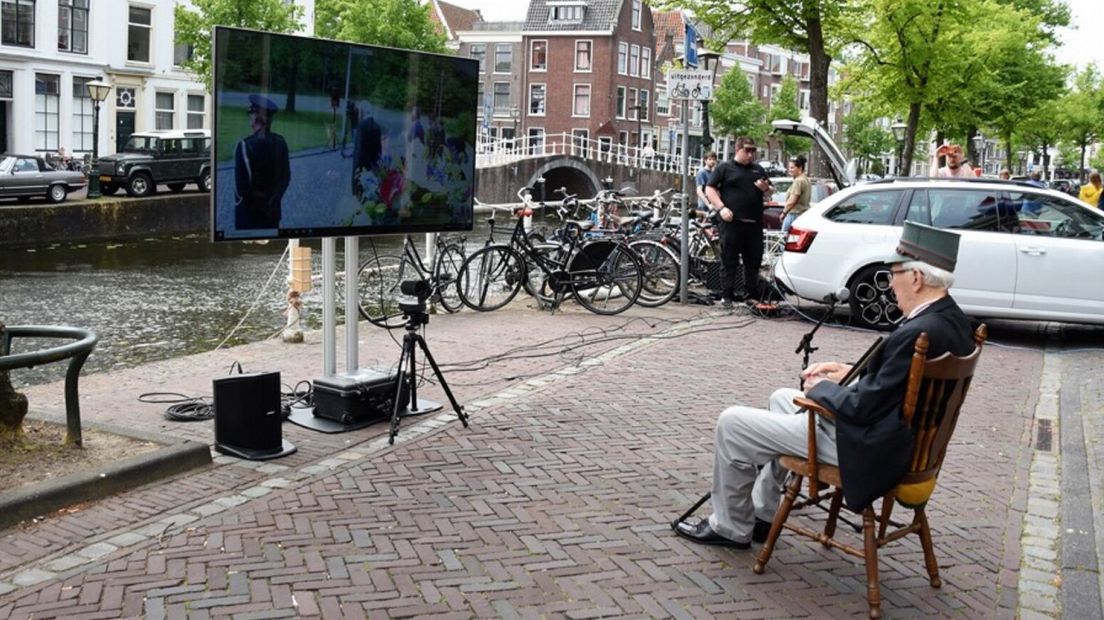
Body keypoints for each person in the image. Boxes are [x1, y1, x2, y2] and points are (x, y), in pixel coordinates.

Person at [675, 221, 976, 549]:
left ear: (916, 278)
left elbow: (863, 407)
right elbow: (903, 384)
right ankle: (761, 515)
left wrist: (819, 388)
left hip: (869, 447)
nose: (890, 285)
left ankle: (730, 527)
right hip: (902, 441)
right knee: (781, 399)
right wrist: (846, 372)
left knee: (732, 423)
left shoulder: (917, 333)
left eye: (894, 274)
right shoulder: (953, 322)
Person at [704, 137, 773, 307]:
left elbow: (770, 190)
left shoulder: (758, 169)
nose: (750, 155)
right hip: (733, 223)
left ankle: (751, 295)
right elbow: (710, 188)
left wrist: (766, 190)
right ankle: (727, 296)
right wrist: (721, 208)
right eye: (747, 150)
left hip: (754, 224)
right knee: (729, 260)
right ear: (738, 150)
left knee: (753, 261)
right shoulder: (724, 168)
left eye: (753, 151)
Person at [234, 94, 291, 230]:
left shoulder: (244, 146)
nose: (250, 118)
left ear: (257, 118)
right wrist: (272, 201)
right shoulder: (281, 142)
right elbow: (285, 178)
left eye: (251, 114)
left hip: (249, 218)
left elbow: (242, 188)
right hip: (272, 215)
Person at [780, 155, 810, 235]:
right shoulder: (806, 179)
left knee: (783, 240)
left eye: (792, 168)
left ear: (800, 168)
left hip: (793, 214)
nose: (790, 170)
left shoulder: (798, 181)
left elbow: (792, 200)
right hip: (803, 214)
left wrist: (784, 213)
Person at [695, 151, 718, 216]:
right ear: (705, 161)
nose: (712, 161)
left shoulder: (714, 173)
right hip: (705, 205)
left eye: (714, 159)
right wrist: (708, 205)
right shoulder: (702, 172)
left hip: (713, 204)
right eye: (710, 159)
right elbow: (699, 190)